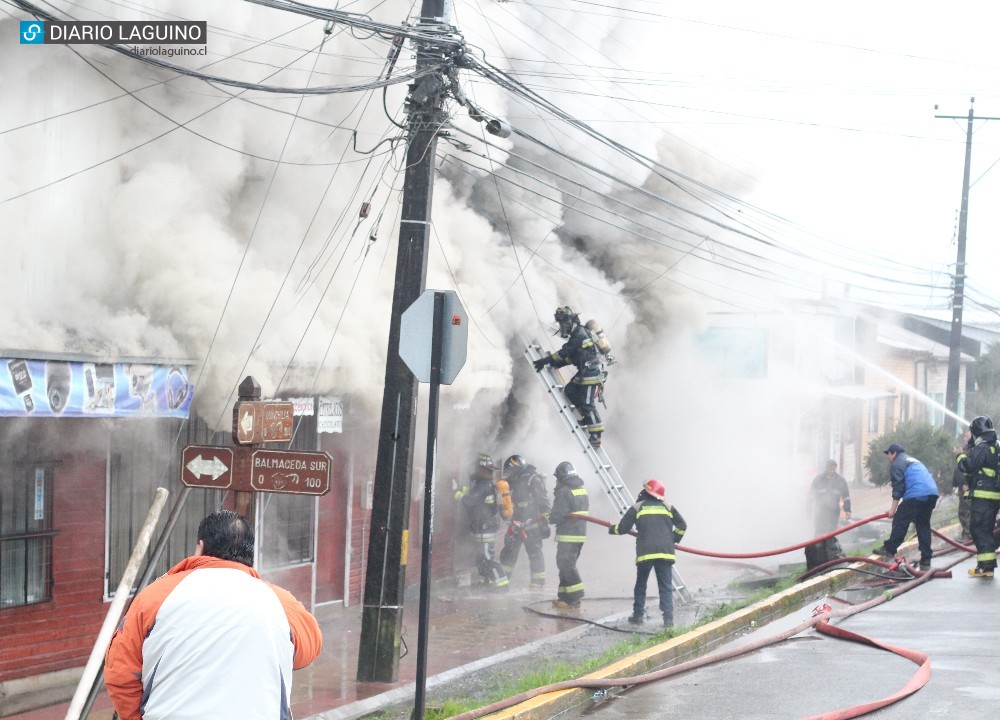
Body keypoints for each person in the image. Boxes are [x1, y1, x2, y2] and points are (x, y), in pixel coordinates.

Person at [104, 510, 322, 720]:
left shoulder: (154, 597)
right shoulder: (280, 602)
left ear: (200, 547)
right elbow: (308, 650)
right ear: (250, 555)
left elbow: (120, 672)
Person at [608, 479, 687, 628]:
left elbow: (623, 528)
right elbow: (683, 525)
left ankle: (638, 616)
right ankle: (668, 620)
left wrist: (611, 528)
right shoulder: (668, 507)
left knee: (641, 585)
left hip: (646, 553)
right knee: (665, 587)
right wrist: (673, 538)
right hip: (665, 553)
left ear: (647, 491)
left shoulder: (637, 508)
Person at [533, 305, 608, 448]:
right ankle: (586, 418)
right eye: (561, 323)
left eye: (563, 322)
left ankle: (596, 436)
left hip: (592, 373)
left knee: (587, 403)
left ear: (570, 321)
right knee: (570, 391)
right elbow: (574, 357)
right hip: (585, 372)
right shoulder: (578, 335)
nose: (562, 326)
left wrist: (545, 361)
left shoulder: (579, 333)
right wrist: (557, 364)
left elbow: (564, 352)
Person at [876, 443, 939, 571]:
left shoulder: (897, 463)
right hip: (932, 494)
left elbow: (898, 487)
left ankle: (889, 548)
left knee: (900, 519)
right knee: (923, 525)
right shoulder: (911, 459)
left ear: (893, 453)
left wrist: (893, 509)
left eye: (888, 454)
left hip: (917, 495)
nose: (888, 457)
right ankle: (926, 559)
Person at [456, 453, 510, 590]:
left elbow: (469, 501)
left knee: (488, 557)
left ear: (481, 470)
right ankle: (486, 581)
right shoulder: (484, 485)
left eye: (477, 468)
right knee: (481, 558)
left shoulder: (483, 486)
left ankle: (502, 584)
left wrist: (455, 492)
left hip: (484, 529)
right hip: (481, 528)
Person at [956, 416, 1000, 578]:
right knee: (985, 530)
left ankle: (986, 567)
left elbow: (969, 466)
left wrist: (960, 456)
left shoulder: (982, 447)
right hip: (992, 497)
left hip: (983, 497)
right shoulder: (995, 446)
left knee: (979, 529)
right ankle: (984, 565)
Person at [498, 455, 551, 588]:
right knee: (509, 552)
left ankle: (537, 582)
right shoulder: (517, 481)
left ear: (517, 469)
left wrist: (544, 522)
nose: (509, 475)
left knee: (534, 553)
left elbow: (543, 502)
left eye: (510, 472)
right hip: (516, 524)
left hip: (532, 524)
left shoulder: (533, 480)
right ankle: (503, 580)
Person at [550, 461, 589, 608]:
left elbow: (557, 515)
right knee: (565, 564)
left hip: (568, 535)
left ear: (562, 477)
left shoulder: (564, 491)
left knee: (566, 565)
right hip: (579, 535)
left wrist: (549, 517)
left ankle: (575, 595)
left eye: (557, 478)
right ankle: (565, 597)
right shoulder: (581, 490)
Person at [804, 460, 852, 569]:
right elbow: (811, 496)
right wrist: (808, 510)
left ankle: (829, 559)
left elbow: (846, 496)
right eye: (829, 469)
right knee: (819, 534)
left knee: (830, 534)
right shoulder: (818, 480)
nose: (831, 471)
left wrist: (847, 510)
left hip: (833, 512)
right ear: (826, 468)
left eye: (833, 469)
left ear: (836, 468)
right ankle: (817, 560)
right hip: (820, 512)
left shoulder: (841, 481)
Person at [952, 429, 974, 544]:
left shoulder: (971, 451)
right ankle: (965, 534)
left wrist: (967, 484)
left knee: (965, 511)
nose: (964, 438)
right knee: (962, 511)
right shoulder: (965, 450)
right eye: (964, 437)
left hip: (967, 487)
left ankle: (967, 535)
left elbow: (968, 468)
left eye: (966, 437)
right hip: (962, 486)